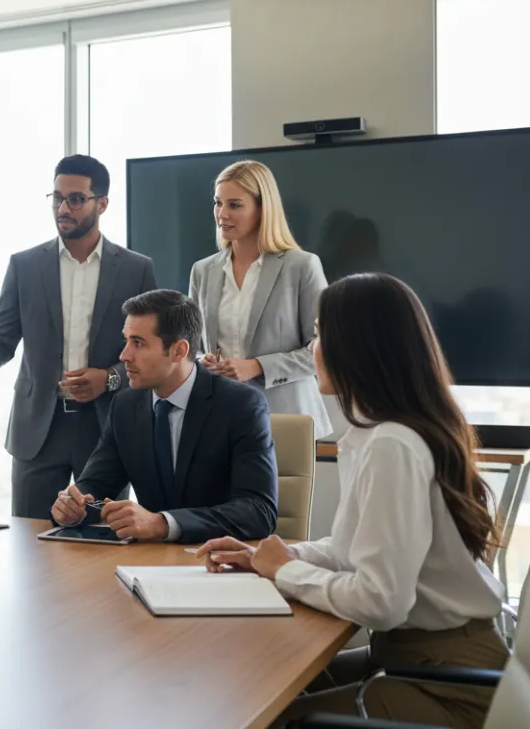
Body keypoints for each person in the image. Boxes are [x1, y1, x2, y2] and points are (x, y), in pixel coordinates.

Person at [198, 274, 506, 729]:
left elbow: (381, 601)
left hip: (448, 680)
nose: (314, 347)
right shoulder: (373, 435)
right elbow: (355, 547)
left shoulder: (393, 445)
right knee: (260, 686)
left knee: (269, 714)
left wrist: (284, 571)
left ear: (359, 347)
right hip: (415, 655)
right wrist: (271, 555)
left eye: (320, 334)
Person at [0, 155, 157, 519]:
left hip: (105, 428)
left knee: (101, 539)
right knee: (30, 546)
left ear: (102, 203)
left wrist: (107, 379)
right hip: (38, 431)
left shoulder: (137, 269)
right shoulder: (25, 266)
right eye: (57, 197)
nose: (63, 207)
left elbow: (148, 351)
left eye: (75, 199)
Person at [51, 289, 277, 543]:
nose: (124, 355)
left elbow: (259, 511)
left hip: (218, 560)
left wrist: (164, 524)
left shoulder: (240, 404)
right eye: (126, 341)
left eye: (138, 343)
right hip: (150, 561)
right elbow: (97, 483)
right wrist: (74, 504)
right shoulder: (125, 405)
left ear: (178, 351)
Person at [189, 160, 332, 438]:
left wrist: (256, 367)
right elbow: (191, 345)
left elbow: (324, 349)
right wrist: (201, 361)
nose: (222, 214)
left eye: (235, 205)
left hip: (285, 420)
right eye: (218, 203)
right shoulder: (202, 270)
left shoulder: (301, 266)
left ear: (262, 209)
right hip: (219, 417)